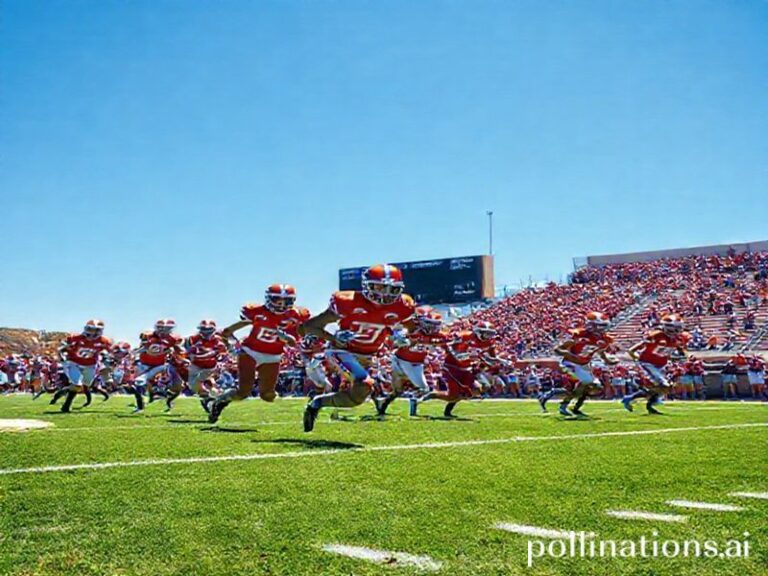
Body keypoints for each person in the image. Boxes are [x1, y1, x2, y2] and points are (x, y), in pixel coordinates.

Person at [300, 264, 415, 431]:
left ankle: (318, 402)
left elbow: (409, 327)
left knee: (358, 396)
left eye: (392, 289)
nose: (386, 294)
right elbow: (310, 326)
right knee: (365, 382)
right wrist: (333, 337)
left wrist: (400, 334)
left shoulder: (403, 305)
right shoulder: (348, 301)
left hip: (369, 355)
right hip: (342, 351)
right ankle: (318, 402)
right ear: (366, 285)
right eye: (380, 287)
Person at [208, 284, 309, 423]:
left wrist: (285, 337)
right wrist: (230, 345)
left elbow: (293, 342)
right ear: (268, 299)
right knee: (243, 392)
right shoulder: (257, 312)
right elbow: (226, 332)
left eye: (286, 301)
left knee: (268, 396)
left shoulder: (296, 315)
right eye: (277, 300)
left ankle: (223, 398)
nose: (281, 305)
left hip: (273, 355)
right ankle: (220, 401)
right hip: (250, 352)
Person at [414, 320, 499, 418]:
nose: (488, 336)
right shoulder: (465, 336)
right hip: (452, 368)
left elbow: (492, 357)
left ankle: (450, 408)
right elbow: (451, 349)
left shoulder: (489, 342)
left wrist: (492, 364)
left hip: (467, 368)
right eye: (486, 333)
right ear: (478, 331)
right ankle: (431, 396)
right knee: (452, 396)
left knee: (479, 388)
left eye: (490, 334)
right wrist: (470, 356)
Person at [539, 312, 616, 416]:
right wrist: (568, 354)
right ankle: (563, 405)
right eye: (601, 326)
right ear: (592, 325)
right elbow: (558, 349)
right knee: (584, 383)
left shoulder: (605, 339)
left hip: (585, 366)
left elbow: (601, 352)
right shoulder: (579, 335)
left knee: (595, 387)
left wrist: (608, 360)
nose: (604, 328)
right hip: (570, 364)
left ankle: (574, 407)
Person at [375, 305, 447, 416]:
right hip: (403, 361)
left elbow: (449, 342)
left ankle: (383, 404)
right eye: (430, 323)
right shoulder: (411, 330)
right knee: (421, 389)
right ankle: (410, 406)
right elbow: (393, 339)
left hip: (413, 363)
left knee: (401, 391)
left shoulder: (440, 335)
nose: (433, 327)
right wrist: (400, 339)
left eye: (435, 324)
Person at [622, 314, 690, 414]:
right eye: (674, 328)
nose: (676, 331)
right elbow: (632, 350)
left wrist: (681, 356)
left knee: (664, 388)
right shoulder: (656, 336)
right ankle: (634, 399)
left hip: (661, 365)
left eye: (678, 328)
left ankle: (640, 402)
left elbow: (680, 352)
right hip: (648, 363)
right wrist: (638, 359)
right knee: (664, 385)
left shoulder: (679, 339)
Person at [56, 320, 113, 413]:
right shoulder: (74, 338)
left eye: (95, 330)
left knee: (86, 385)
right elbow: (61, 349)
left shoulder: (104, 341)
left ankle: (63, 391)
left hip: (90, 365)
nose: (92, 333)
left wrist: (107, 359)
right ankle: (66, 406)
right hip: (74, 363)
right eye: (90, 329)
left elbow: (110, 353)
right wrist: (62, 356)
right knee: (77, 384)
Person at [129, 319, 184, 413]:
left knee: (141, 381)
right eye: (161, 328)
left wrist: (179, 355)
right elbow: (143, 348)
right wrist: (135, 353)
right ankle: (141, 404)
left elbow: (179, 351)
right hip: (144, 363)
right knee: (138, 383)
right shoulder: (148, 335)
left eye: (166, 328)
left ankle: (159, 392)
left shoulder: (173, 339)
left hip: (159, 364)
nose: (163, 331)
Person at [185, 320, 229, 412]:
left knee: (208, 382)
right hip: (195, 365)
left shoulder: (218, 340)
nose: (206, 332)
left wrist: (222, 362)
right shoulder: (192, 339)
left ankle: (214, 400)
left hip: (210, 366)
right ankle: (207, 399)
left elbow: (223, 354)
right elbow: (186, 352)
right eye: (204, 329)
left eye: (208, 329)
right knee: (193, 386)